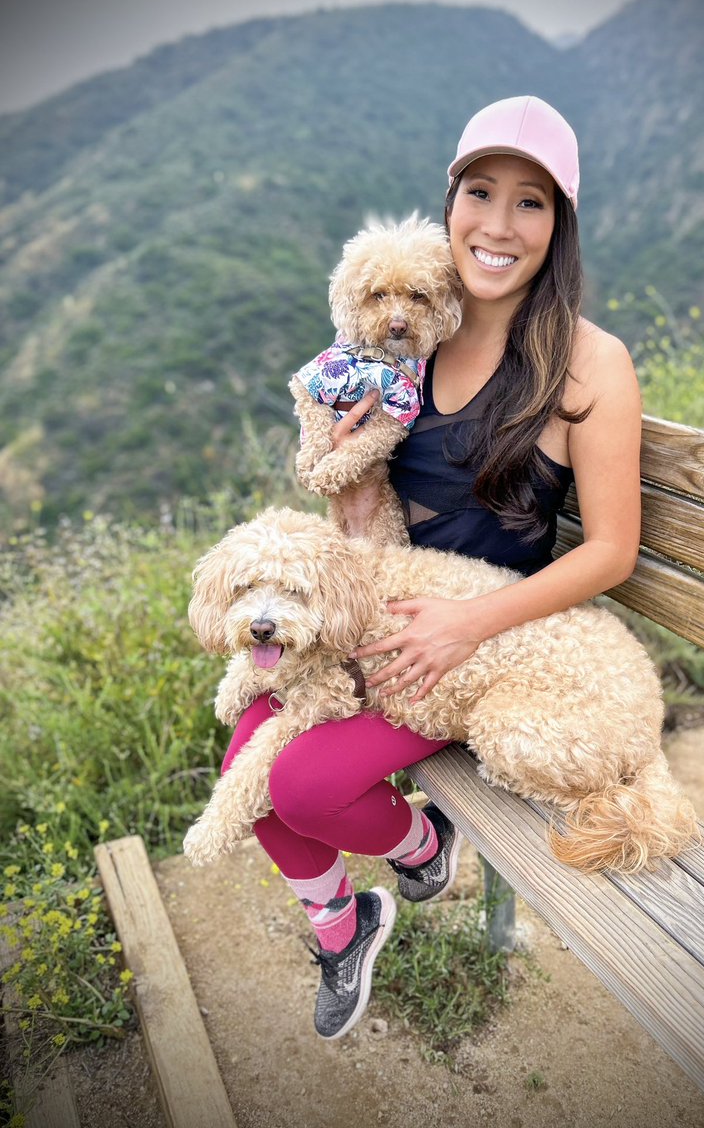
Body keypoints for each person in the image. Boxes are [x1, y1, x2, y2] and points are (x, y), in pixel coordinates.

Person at [221, 95, 642, 1042]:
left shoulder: (586, 363)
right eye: (479, 193)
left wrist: (466, 625)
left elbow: (613, 552)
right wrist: (341, 466)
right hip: (382, 621)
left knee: (300, 785)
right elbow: (360, 501)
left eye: (529, 203)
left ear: (559, 226)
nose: (497, 224)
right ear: (449, 204)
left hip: (479, 648)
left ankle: (420, 843)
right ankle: (344, 923)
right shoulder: (412, 336)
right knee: (249, 733)